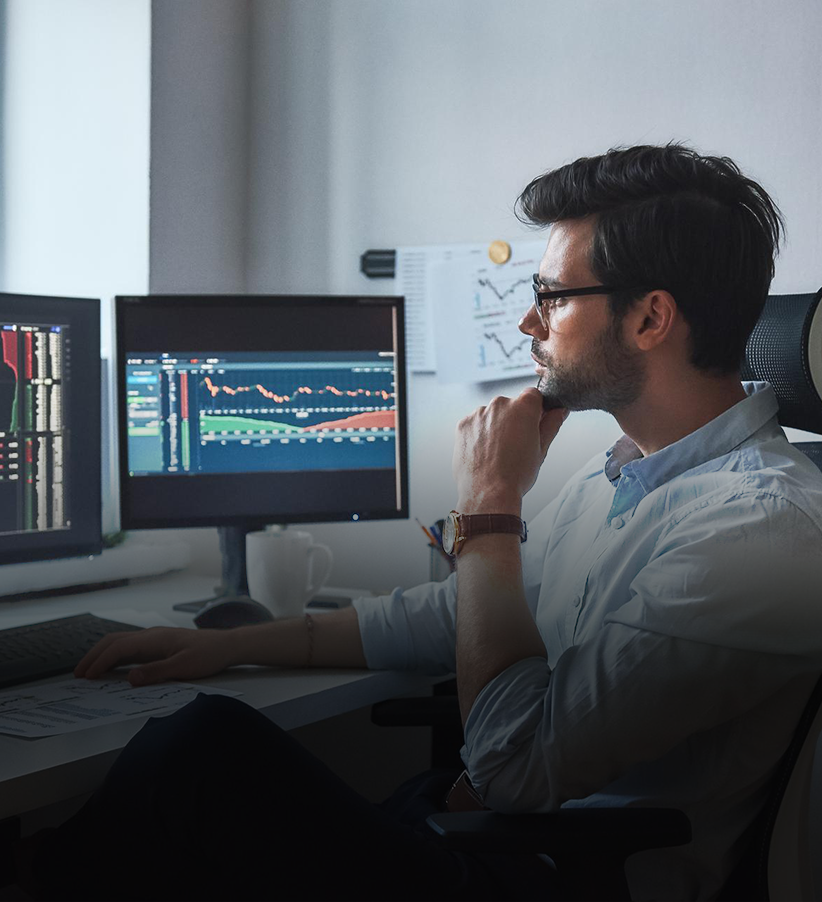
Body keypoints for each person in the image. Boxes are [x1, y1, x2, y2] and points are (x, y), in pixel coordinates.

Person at [21, 144, 822, 902]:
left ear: (650, 319)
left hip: (549, 875)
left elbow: (511, 767)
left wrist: (489, 509)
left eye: (549, 296)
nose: (528, 325)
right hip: (479, 829)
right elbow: (457, 616)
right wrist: (222, 645)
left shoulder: (755, 529)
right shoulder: (625, 470)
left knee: (201, 755)